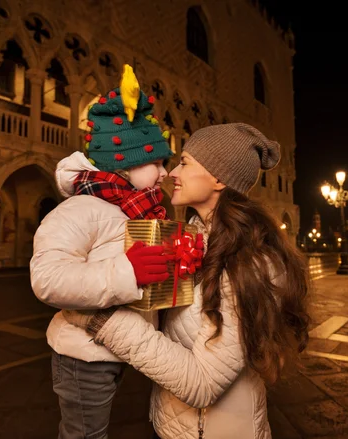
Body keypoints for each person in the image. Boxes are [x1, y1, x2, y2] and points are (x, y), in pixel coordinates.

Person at [66, 123, 311, 439]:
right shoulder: (192, 240)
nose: (171, 174)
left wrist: (104, 322)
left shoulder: (249, 261)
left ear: (219, 178)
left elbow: (205, 384)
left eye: (184, 162)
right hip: (171, 426)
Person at [30, 65, 174, 439]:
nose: (163, 174)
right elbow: (47, 279)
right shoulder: (79, 209)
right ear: (122, 162)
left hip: (122, 345)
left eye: (165, 163)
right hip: (84, 354)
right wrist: (129, 273)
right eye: (155, 163)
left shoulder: (136, 209)